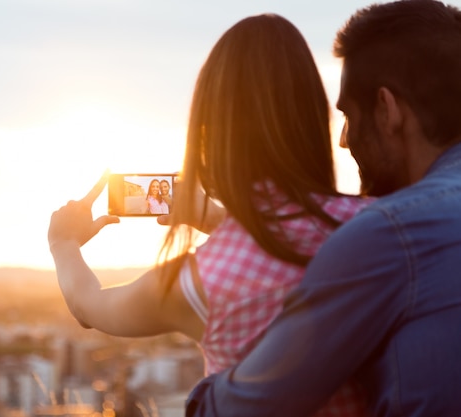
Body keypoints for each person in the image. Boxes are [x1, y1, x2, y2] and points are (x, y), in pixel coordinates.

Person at [48, 14, 372, 416]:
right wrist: (215, 218)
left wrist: (63, 244)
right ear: (311, 117)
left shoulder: (198, 283)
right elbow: (289, 246)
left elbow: (88, 305)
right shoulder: (375, 224)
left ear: (210, 131)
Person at [185, 1, 461, 416]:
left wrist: (199, 398)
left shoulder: (388, 233)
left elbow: (246, 404)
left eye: (349, 115)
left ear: (388, 110)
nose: (344, 140)